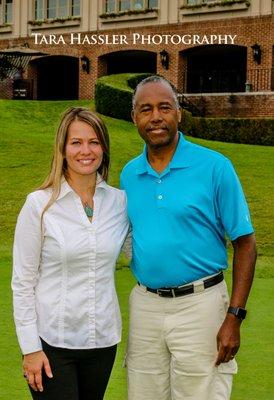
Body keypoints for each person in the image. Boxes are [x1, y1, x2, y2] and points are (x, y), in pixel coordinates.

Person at [120, 76, 256, 400]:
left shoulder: (214, 167)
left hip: (201, 305)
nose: (156, 117)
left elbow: (246, 244)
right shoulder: (128, 174)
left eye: (164, 107)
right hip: (146, 307)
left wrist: (234, 317)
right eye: (146, 109)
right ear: (134, 117)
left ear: (178, 113)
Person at [12, 107, 129, 400]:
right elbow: (23, 282)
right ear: (62, 149)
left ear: (104, 147)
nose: (85, 151)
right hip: (51, 344)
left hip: (102, 341)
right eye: (76, 142)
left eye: (94, 141)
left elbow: (139, 252)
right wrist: (30, 349)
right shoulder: (39, 205)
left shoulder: (119, 203)